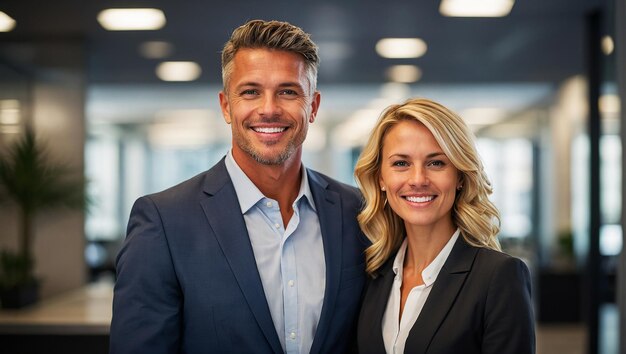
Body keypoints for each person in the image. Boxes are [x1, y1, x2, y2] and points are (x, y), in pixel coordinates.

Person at [109, 19, 367, 354]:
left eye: (288, 91)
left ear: (313, 107)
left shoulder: (357, 211)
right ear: (226, 106)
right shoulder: (165, 221)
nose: (269, 109)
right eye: (250, 92)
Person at [354, 98, 535, 354]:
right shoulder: (373, 274)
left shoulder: (499, 276)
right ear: (381, 178)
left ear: (460, 176)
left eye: (436, 162)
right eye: (401, 163)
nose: (418, 180)